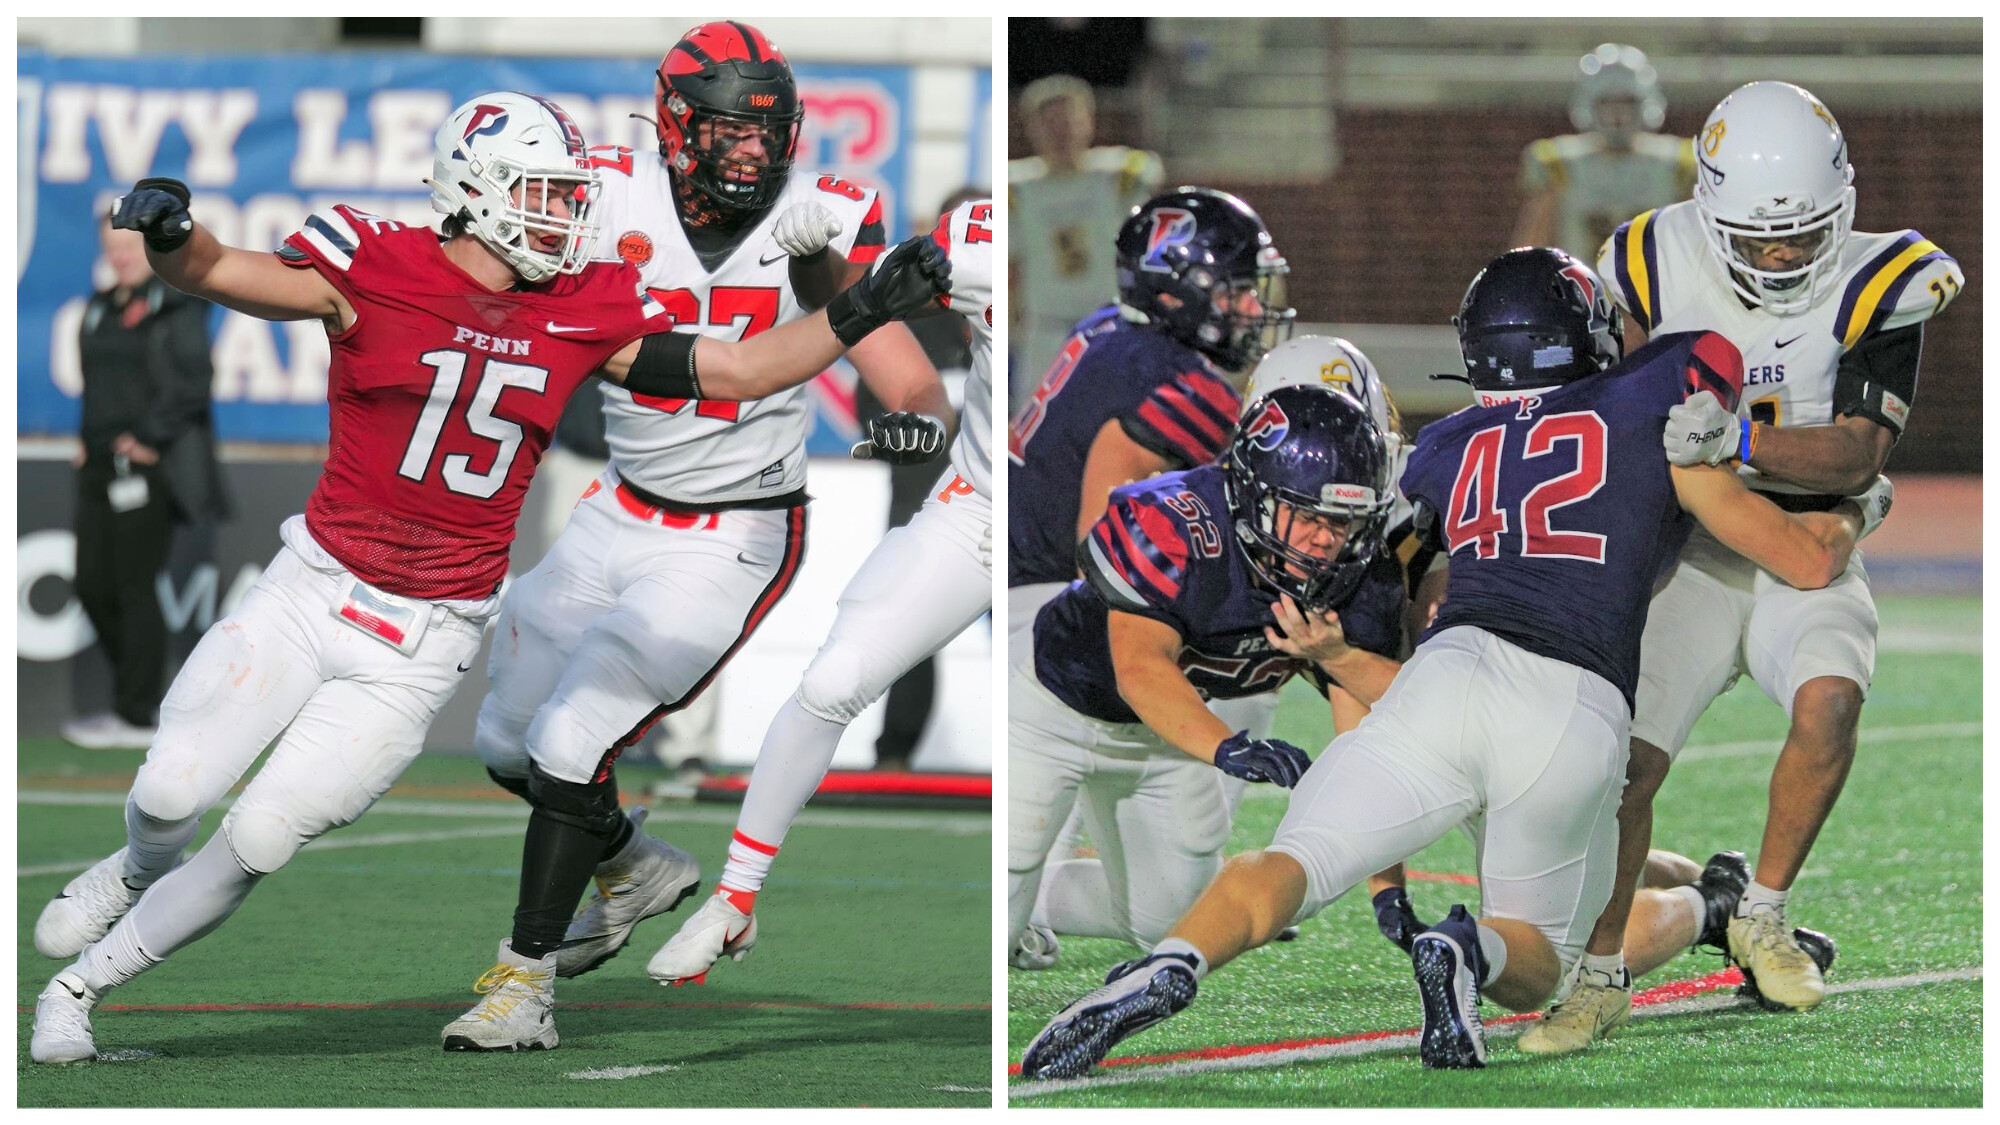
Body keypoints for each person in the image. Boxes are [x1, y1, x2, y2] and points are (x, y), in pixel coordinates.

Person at [28, 90, 949, 1066]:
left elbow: (738, 371)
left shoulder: (581, 301)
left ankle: (78, 988)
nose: (566, 216)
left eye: (568, 196)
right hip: (310, 590)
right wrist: (172, 233)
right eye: (544, 195)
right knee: (171, 791)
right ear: (476, 191)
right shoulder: (374, 262)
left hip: (423, 644)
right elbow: (217, 270)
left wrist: (859, 307)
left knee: (260, 838)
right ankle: (132, 867)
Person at [1020, 247, 1874, 1079]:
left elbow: (1410, 562)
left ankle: (1177, 957)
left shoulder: (1449, 444)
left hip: (1444, 675)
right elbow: (1785, 521)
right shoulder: (1653, 397)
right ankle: (1470, 948)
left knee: (1292, 861)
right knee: (1549, 962)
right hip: (1568, 702)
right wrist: (1850, 506)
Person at [447, 22, 953, 1051]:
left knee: (567, 739)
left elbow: (908, 376)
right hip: (618, 506)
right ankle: (635, 862)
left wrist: (914, 420)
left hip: (732, 531)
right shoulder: (600, 194)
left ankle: (522, 986)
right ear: (674, 127)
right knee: (504, 742)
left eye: (766, 133)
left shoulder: (813, 221)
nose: (749, 156)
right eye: (727, 132)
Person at [1535, 80, 1964, 1046]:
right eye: (1761, 236)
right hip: (1692, 549)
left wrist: (1736, 440)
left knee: (1831, 701)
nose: (1781, 253)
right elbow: (1628, 418)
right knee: (1622, 769)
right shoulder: (1649, 260)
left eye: (1803, 234)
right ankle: (1601, 972)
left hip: (1802, 536)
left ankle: (1761, 908)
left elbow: (1856, 452)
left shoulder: (1887, 280)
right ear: (1710, 210)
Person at [646, 197, 994, 986]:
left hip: (1076, 518)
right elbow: (856, 300)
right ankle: (734, 897)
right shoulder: (984, 243)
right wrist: (813, 258)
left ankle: (1050, 898)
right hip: (983, 501)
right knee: (834, 679)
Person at [1008, 385, 1403, 962]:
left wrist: (1336, 656)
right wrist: (1226, 749)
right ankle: (1016, 901)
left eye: (1345, 520)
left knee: (1170, 918)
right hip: (1051, 708)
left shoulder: (1360, 573)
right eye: (1309, 514)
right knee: (1004, 889)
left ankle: (1039, 901)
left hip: (1160, 735)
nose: (1327, 538)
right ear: (1252, 493)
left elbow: (1376, 729)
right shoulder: (1176, 521)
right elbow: (1139, 670)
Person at [1009, 187, 1292, 637]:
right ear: (1176, 294)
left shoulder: (1106, 325)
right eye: (1236, 292)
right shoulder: (1177, 386)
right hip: (1042, 607)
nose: (1254, 308)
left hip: (1014, 572)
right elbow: (1101, 558)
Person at [61, 218, 228, 751]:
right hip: (98, 464)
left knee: (135, 587)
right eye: (112, 248)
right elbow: (98, 387)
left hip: (150, 468)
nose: (120, 257)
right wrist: (89, 439)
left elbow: (195, 382)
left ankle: (135, 712)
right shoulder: (98, 307)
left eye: (128, 247)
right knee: (91, 584)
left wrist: (148, 437)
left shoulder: (174, 304)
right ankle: (130, 700)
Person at [1007, 74, 1163, 415]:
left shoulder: (1115, 177)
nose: (1059, 132)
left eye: (1068, 120)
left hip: (1108, 326)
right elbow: (1010, 264)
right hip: (1046, 330)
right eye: (1048, 123)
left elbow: (1151, 174)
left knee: (1116, 420)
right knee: (1032, 426)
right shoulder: (1017, 189)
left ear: (1088, 122)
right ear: (1031, 129)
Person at [1513, 43, 1692, 264]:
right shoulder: (1558, 165)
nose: (1617, 115)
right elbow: (1531, 248)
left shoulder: (1678, 165)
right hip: (1580, 292)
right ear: (1590, 105)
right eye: (1608, 103)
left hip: (1654, 294)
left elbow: (1694, 245)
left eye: (1626, 103)